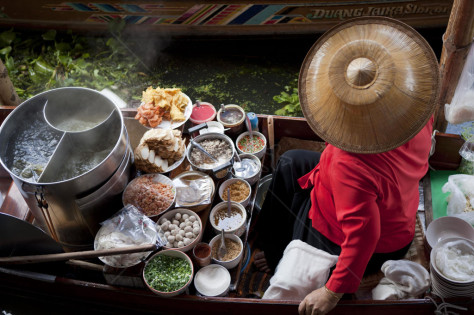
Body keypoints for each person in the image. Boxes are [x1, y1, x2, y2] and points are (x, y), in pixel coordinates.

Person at [254, 17, 440, 315]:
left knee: (303, 211)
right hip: (388, 200)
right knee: (290, 162)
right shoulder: (414, 112)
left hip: (374, 243)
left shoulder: (349, 163)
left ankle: (278, 258)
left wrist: (331, 293)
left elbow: (364, 235)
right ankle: (270, 245)